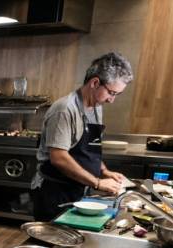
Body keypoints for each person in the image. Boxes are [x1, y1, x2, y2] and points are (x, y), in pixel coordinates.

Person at [31, 52, 133, 221]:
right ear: (95, 82)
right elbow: (59, 158)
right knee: (53, 243)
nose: (111, 100)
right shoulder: (64, 109)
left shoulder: (96, 107)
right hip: (55, 192)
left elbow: (89, 149)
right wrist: (98, 183)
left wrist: (104, 171)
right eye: (112, 93)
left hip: (77, 189)